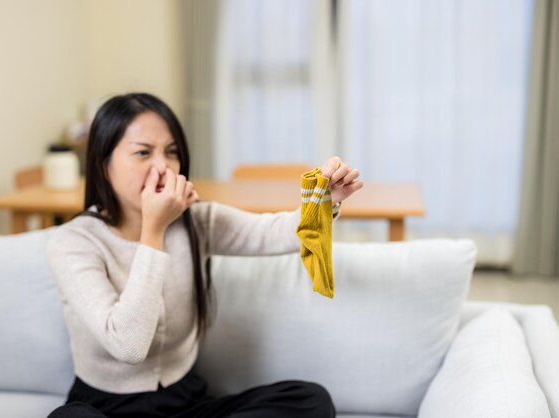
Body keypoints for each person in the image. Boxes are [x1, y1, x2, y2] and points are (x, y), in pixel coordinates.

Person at [46, 92, 363, 418]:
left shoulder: (196, 221)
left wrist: (325, 200)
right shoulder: (73, 242)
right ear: (104, 165)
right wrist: (153, 230)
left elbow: (274, 232)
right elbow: (129, 346)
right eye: (143, 153)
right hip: (105, 408)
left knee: (310, 399)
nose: (163, 166)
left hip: (186, 404)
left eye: (171, 152)